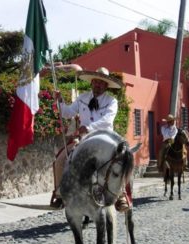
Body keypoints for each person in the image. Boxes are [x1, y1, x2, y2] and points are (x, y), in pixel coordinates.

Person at [50, 67, 130, 212]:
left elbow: (107, 120)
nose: (98, 85)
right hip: (84, 139)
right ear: (91, 82)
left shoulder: (112, 101)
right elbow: (67, 113)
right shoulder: (82, 98)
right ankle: (60, 193)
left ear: (106, 86)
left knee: (121, 159)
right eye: (96, 82)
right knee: (60, 160)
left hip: (105, 138)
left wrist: (88, 127)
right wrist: (60, 101)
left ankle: (121, 195)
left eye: (102, 83)